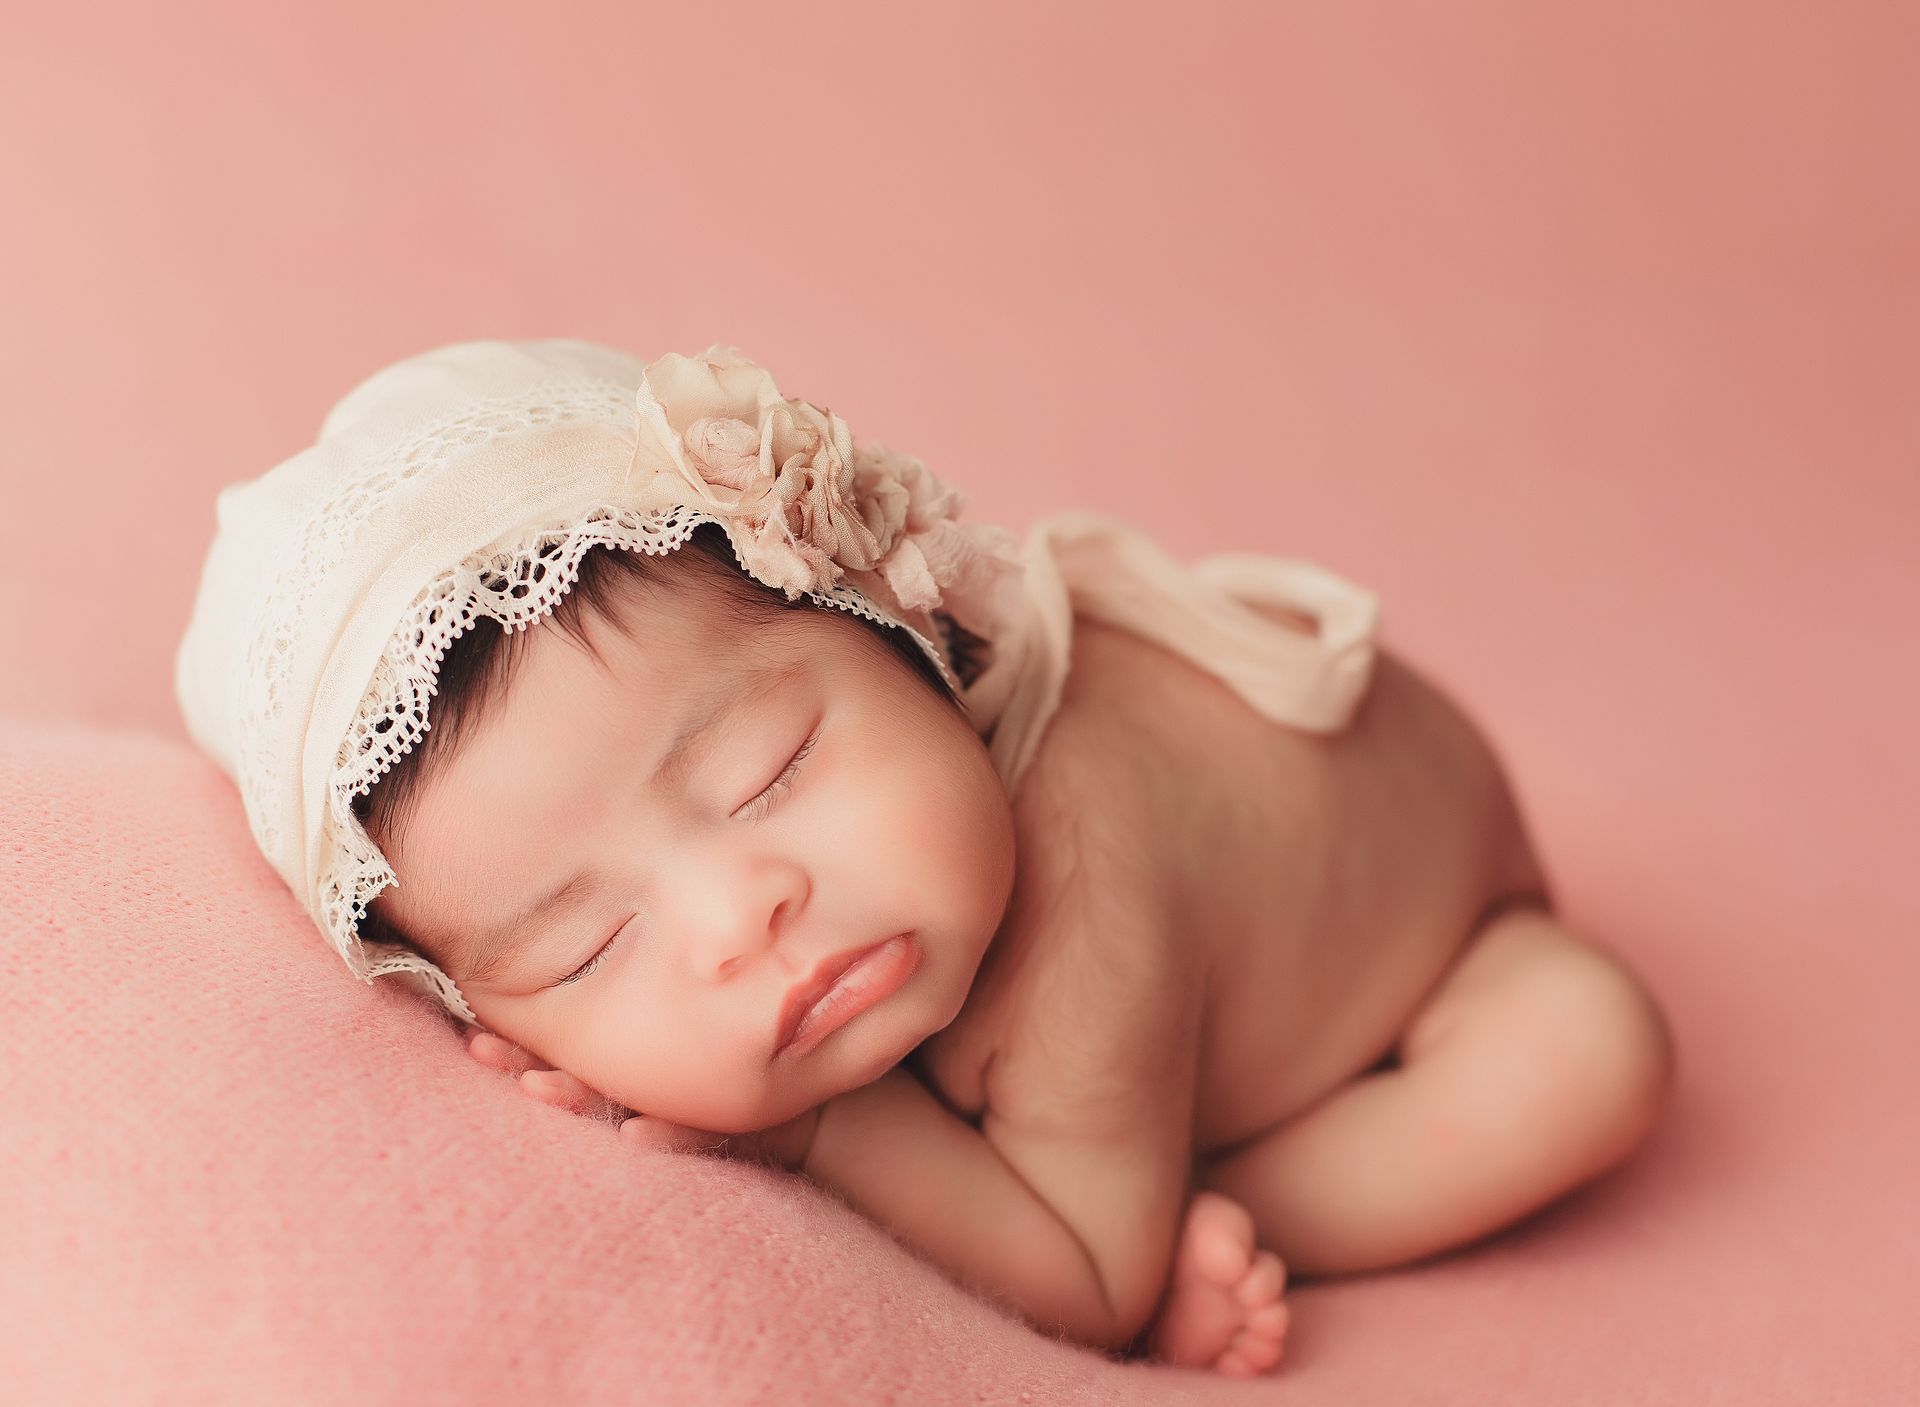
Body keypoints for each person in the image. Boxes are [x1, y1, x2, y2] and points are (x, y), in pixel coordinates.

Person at [175, 339, 1675, 1378]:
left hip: (1447, 945)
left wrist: (822, 1141)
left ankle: (1228, 1182)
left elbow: (1089, 1286)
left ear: (904, 637)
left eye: (773, 772)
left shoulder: (1081, 891)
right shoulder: (841, 907)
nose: (738, 918)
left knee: (1587, 1054)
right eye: (586, 951)